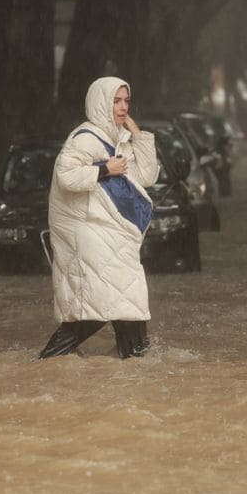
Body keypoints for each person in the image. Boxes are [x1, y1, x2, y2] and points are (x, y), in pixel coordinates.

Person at [39, 76, 159, 359]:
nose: (122, 107)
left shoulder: (119, 137)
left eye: (126, 101)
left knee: (123, 299)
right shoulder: (84, 138)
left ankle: (135, 361)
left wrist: (137, 134)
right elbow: (66, 176)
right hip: (90, 234)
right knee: (103, 303)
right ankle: (49, 361)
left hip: (112, 234)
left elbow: (146, 176)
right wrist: (105, 169)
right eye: (115, 101)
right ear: (100, 102)